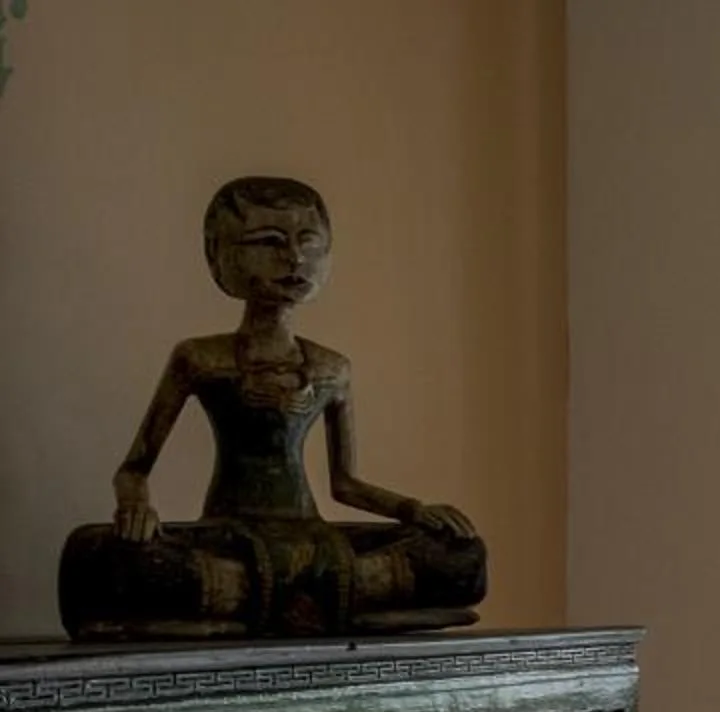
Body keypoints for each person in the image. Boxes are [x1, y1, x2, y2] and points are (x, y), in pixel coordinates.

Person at [59, 175, 486, 639]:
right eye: (268, 242)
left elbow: (344, 484)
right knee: (98, 559)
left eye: (308, 242)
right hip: (229, 538)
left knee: (460, 553)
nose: (293, 259)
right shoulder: (202, 359)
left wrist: (415, 510)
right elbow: (135, 467)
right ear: (218, 254)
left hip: (316, 537)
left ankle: (232, 601)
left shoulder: (330, 367)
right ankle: (338, 604)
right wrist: (135, 507)